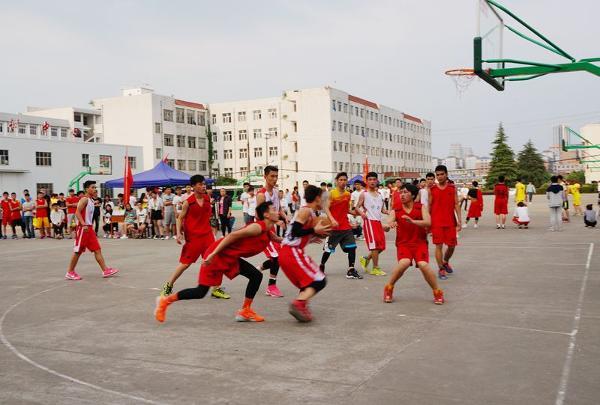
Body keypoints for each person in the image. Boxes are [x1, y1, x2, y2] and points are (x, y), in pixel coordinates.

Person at [155, 201, 282, 323]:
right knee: (200, 292)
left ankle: (245, 311)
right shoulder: (256, 228)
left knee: (256, 275)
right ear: (266, 214)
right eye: (274, 210)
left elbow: (278, 239)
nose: (277, 212)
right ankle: (165, 301)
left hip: (230, 257)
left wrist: (292, 238)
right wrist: (213, 254)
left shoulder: (268, 229)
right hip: (217, 255)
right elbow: (231, 236)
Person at [160, 175, 230, 299]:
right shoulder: (188, 202)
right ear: (193, 186)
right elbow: (180, 218)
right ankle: (168, 285)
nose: (203, 186)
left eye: (204, 184)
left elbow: (208, 216)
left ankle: (216, 289)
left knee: (214, 260)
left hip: (207, 236)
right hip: (193, 238)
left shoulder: (207, 199)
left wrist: (213, 229)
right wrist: (178, 233)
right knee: (185, 264)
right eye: (200, 184)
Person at [384, 183, 444, 305]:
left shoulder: (420, 207)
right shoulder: (396, 210)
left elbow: (428, 222)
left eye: (405, 192)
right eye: (401, 192)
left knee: (423, 265)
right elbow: (386, 224)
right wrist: (388, 225)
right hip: (403, 244)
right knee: (404, 262)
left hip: (420, 243)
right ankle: (389, 287)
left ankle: (437, 291)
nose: (402, 195)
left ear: (413, 195)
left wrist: (413, 221)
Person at [279, 185, 331, 322]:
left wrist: (310, 238)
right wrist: (314, 231)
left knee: (307, 284)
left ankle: (302, 306)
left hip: (289, 253)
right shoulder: (306, 210)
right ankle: (299, 303)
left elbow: (294, 234)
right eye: (323, 199)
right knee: (319, 280)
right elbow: (295, 231)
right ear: (317, 198)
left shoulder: (309, 212)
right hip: (291, 252)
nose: (324, 202)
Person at [65, 180, 119, 280]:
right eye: (92, 187)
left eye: (95, 187)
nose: (95, 189)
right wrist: (83, 224)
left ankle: (105, 270)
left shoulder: (91, 200)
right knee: (78, 251)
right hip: (83, 228)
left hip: (89, 229)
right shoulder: (84, 199)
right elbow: (77, 212)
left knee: (97, 249)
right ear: (87, 189)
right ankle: (70, 272)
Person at [319, 172, 362, 279]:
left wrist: (355, 214)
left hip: (345, 227)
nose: (343, 182)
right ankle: (321, 266)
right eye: (341, 180)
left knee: (352, 247)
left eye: (344, 180)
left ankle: (351, 270)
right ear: (336, 181)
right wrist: (332, 220)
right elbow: (326, 208)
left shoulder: (348, 194)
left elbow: (346, 209)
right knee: (328, 250)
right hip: (333, 228)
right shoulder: (331, 194)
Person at [256, 166, 288, 298]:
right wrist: (276, 221)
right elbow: (259, 216)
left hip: (271, 228)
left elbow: (278, 209)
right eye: (272, 176)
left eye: (276, 176)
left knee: (279, 257)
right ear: (265, 177)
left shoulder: (275, 192)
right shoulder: (261, 195)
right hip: (263, 229)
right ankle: (271, 287)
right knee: (277, 257)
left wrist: (286, 218)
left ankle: (258, 269)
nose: (275, 179)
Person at [429, 165, 461, 280]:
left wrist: (459, 220)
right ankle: (441, 268)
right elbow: (429, 206)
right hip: (436, 222)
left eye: (442, 174)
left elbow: (456, 204)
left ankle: (445, 261)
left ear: (446, 174)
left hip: (450, 222)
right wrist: (428, 222)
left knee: (452, 246)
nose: (440, 176)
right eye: (437, 175)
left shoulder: (452, 188)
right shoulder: (432, 189)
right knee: (438, 246)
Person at [357, 172, 389, 276]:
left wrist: (389, 212)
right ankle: (375, 268)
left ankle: (366, 259)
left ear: (377, 181)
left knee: (381, 246)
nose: (372, 181)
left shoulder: (380, 195)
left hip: (378, 222)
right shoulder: (364, 194)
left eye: (374, 179)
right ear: (366, 181)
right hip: (369, 222)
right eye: (370, 179)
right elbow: (357, 207)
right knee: (375, 246)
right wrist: (362, 213)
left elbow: (382, 209)